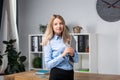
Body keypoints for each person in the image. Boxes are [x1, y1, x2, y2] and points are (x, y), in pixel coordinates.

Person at [41, 14, 78, 80]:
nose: (59, 26)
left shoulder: (70, 39)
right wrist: (63, 55)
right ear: (52, 26)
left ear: (63, 25)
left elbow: (76, 60)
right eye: (55, 24)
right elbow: (48, 65)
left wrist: (73, 54)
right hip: (57, 74)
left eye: (61, 23)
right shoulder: (48, 41)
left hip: (70, 74)